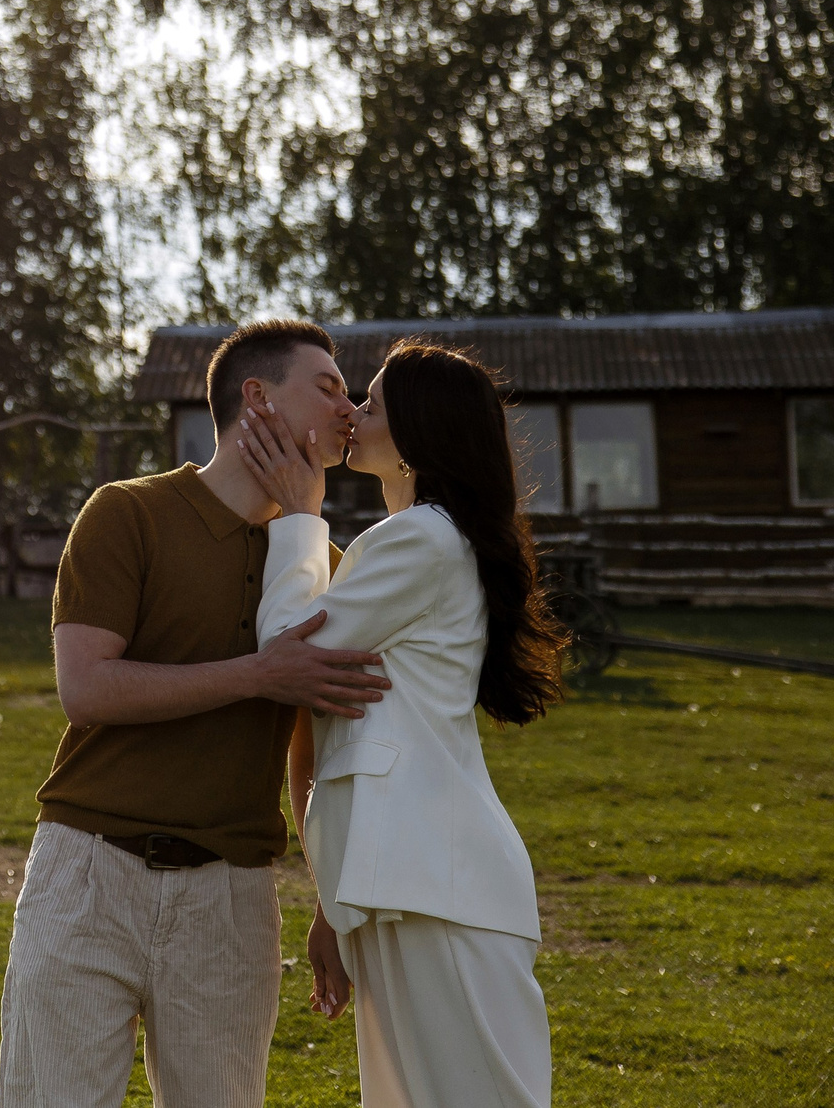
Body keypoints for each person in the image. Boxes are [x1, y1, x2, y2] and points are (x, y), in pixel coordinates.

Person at [0, 319, 391, 1108]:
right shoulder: (126, 513)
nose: (350, 407)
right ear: (257, 397)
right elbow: (88, 688)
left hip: (231, 899)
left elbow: (323, 754)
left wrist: (329, 902)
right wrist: (257, 673)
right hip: (86, 872)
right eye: (328, 386)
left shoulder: (328, 567)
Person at [234, 339, 564, 1108]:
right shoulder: (424, 541)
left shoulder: (421, 538)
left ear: (420, 432)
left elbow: (288, 645)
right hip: (411, 885)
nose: (351, 411)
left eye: (371, 402)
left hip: (438, 887)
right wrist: (331, 903)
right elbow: (341, 718)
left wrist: (301, 516)